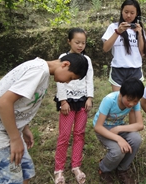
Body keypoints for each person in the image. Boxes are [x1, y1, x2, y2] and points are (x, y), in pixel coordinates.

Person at [0, 53, 88, 184]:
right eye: (71, 78)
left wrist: (24, 128)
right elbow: (3, 103)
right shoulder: (38, 71)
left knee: (25, 172)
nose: (67, 82)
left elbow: (19, 103)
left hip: (8, 127)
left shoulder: (42, 72)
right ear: (65, 64)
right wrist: (15, 138)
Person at [53, 28, 94, 184]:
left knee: (79, 133)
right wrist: (63, 101)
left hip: (82, 100)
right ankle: (59, 170)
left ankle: (76, 165)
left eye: (83, 43)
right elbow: (59, 80)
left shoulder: (87, 60)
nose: (80, 45)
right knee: (64, 135)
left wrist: (89, 98)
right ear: (69, 41)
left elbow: (89, 79)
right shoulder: (63, 58)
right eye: (77, 42)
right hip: (68, 102)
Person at [93, 78, 144, 184]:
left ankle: (122, 169)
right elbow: (98, 127)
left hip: (118, 126)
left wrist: (119, 129)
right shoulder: (109, 100)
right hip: (103, 128)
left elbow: (139, 125)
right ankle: (104, 169)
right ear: (121, 93)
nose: (131, 104)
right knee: (118, 151)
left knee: (136, 139)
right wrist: (118, 138)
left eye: (135, 101)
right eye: (129, 100)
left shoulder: (135, 102)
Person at [102, 0, 146, 92]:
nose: (128, 15)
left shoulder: (139, 29)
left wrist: (140, 34)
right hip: (118, 69)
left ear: (137, 14)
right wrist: (118, 32)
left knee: (133, 101)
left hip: (135, 69)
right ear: (121, 11)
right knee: (118, 100)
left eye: (132, 13)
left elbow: (143, 53)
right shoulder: (113, 27)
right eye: (126, 12)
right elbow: (106, 48)